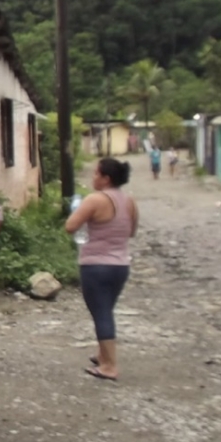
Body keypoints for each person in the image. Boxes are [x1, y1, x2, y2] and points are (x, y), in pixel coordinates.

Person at [65, 158, 138, 381]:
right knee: (106, 309)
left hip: (96, 265)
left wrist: (77, 209)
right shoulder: (129, 201)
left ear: (106, 178)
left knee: (101, 313)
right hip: (121, 265)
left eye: (96, 174)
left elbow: (71, 226)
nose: (93, 177)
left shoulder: (95, 200)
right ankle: (102, 354)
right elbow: (132, 232)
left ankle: (110, 366)